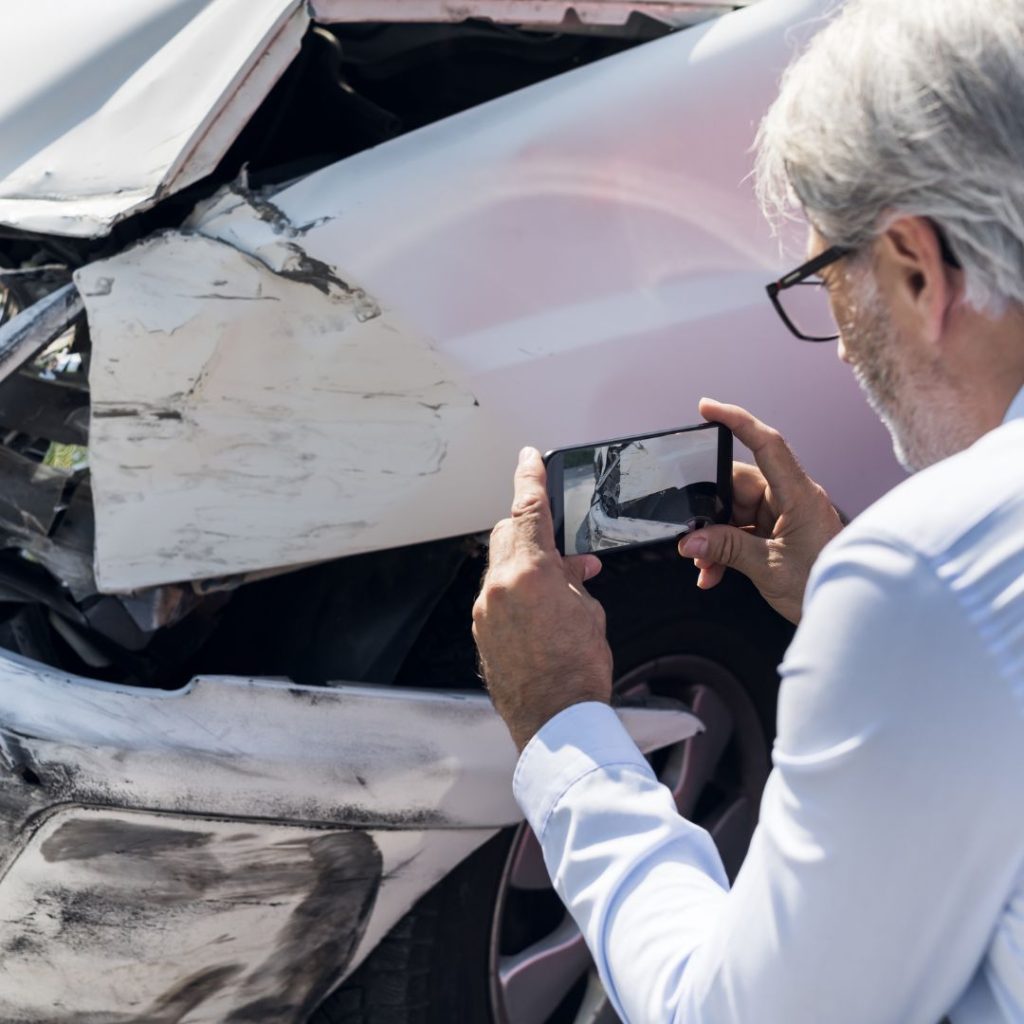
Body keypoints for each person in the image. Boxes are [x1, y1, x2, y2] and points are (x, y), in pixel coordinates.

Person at [471, 1, 1024, 1021]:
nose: (843, 339)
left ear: (914, 265)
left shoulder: (929, 574)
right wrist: (848, 597)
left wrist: (561, 725)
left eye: (826, 280)